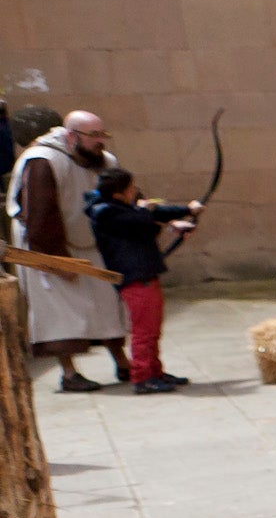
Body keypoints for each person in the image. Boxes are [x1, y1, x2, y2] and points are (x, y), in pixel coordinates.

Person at [7, 110, 133, 391]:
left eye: (103, 135)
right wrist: (58, 260)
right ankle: (69, 372)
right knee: (60, 311)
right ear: (71, 136)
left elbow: (125, 196)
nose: (101, 142)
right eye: (94, 136)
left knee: (106, 302)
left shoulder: (104, 161)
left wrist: (156, 217)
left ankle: (122, 361)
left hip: (90, 242)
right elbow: (39, 214)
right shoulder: (43, 161)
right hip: (46, 246)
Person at [83, 166, 198, 394]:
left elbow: (152, 215)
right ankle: (142, 377)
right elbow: (141, 219)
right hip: (135, 278)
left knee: (152, 329)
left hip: (145, 275)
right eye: (130, 188)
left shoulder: (121, 207)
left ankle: (155, 371)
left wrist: (186, 210)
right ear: (118, 194)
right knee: (143, 331)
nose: (134, 191)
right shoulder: (106, 212)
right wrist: (148, 212)